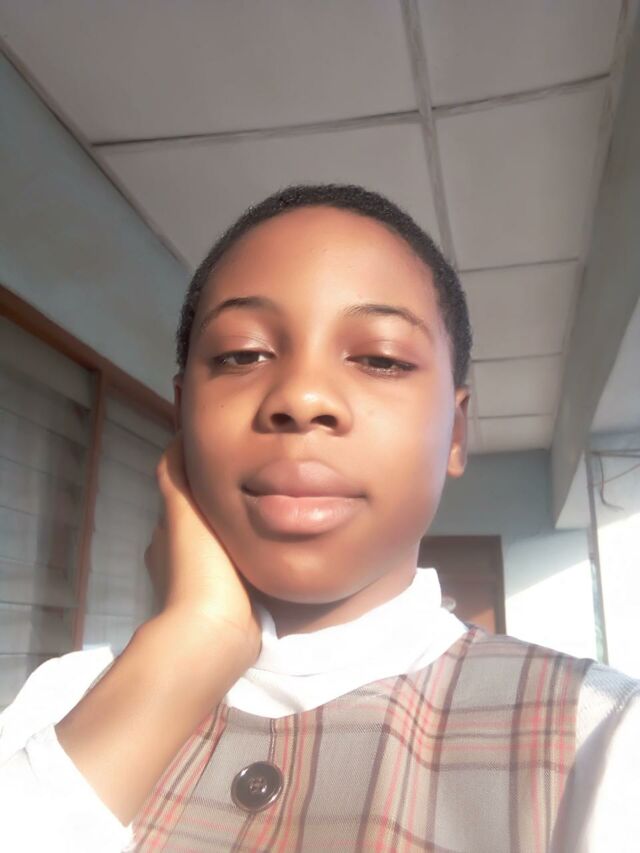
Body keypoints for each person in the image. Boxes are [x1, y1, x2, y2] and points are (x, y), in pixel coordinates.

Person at [0, 184, 637, 852]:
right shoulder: (63, 700)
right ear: (182, 413)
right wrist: (193, 640)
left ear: (455, 432)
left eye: (381, 358)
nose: (302, 398)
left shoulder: (600, 737)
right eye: (242, 354)